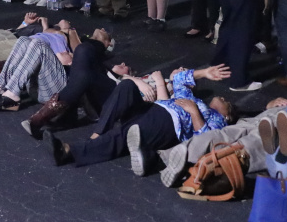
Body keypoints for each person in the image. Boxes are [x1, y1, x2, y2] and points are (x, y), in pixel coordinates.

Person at [47, 66, 233, 174]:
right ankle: (98, 134)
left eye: (228, 103)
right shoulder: (193, 98)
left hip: (168, 122)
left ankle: (69, 151)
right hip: (153, 109)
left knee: (125, 134)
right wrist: (205, 72)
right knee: (127, 86)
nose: (224, 98)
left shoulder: (219, 122)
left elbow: (205, 139)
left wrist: (194, 112)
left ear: (228, 116)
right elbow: (179, 79)